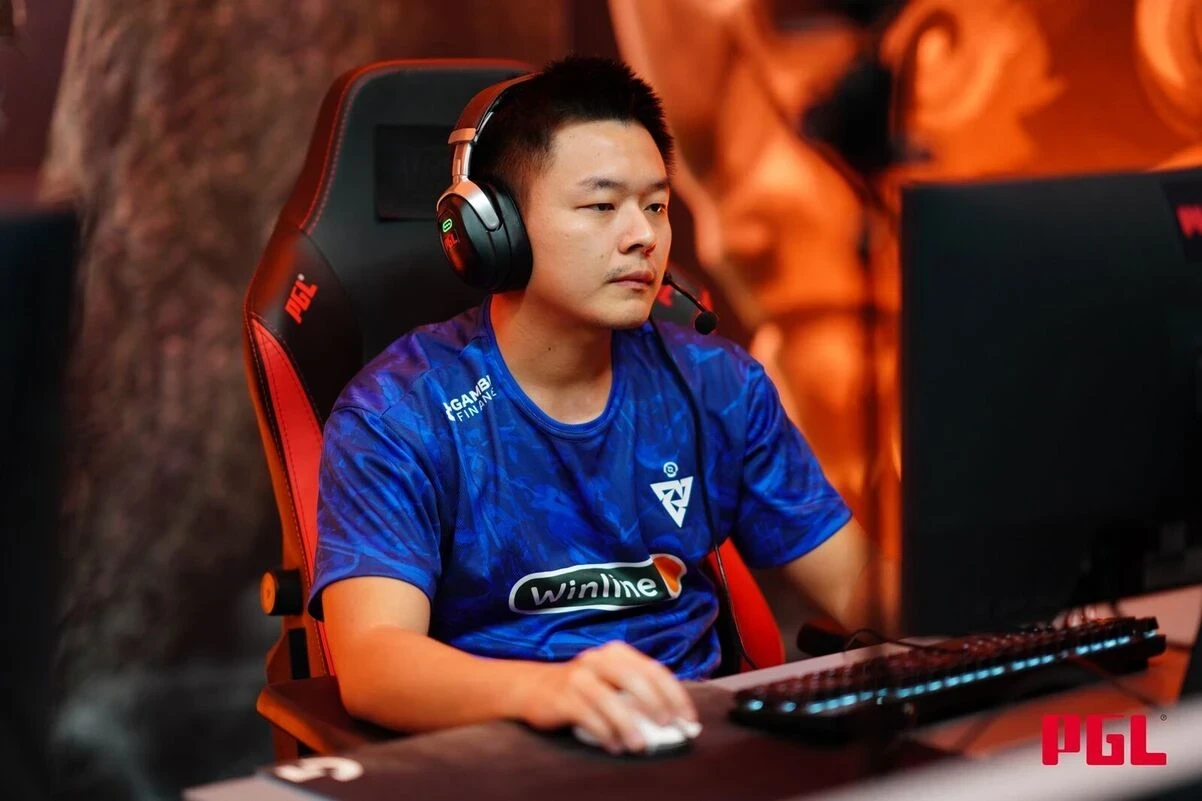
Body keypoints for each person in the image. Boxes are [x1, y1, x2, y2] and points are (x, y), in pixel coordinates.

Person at [310, 55, 895, 755]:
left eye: (656, 206)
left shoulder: (718, 386)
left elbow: (859, 583)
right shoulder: (399, 413)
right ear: (497, 228)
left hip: (694, 746)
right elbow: (375, 660)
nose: (642, 235)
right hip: (501, 754)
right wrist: (547, 693)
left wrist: (992, 616)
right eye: (601, 206)